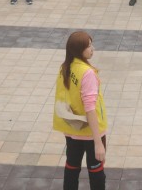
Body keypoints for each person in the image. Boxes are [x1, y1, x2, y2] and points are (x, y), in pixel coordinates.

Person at [54, 31, 108, 190]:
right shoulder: (87, 73)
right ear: (79, 50)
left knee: (71, 168)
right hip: (91, 132)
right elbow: (90, 108)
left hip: (72, 129)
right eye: (89, 46)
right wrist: (98, 143)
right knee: (96, 172)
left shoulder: (65, 67)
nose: (93, 48)